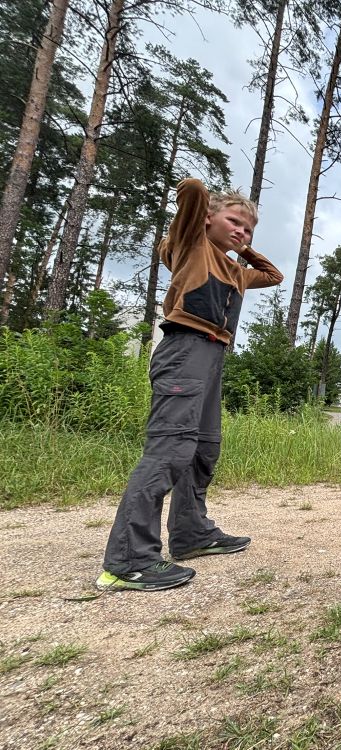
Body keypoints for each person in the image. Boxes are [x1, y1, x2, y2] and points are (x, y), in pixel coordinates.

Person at [97, 178, 283, 591]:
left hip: (213, 356)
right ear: (207, 219)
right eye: (234, 222)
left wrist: (241, 247)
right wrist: (203, 216)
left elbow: (274, 275)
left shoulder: (235, 271)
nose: (242, 232)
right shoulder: (191, 245)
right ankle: (128, 560)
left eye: (249, 229)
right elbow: (193, 190)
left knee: (203, 449)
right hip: (184, 350)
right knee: (170, 450)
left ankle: (191, 533)